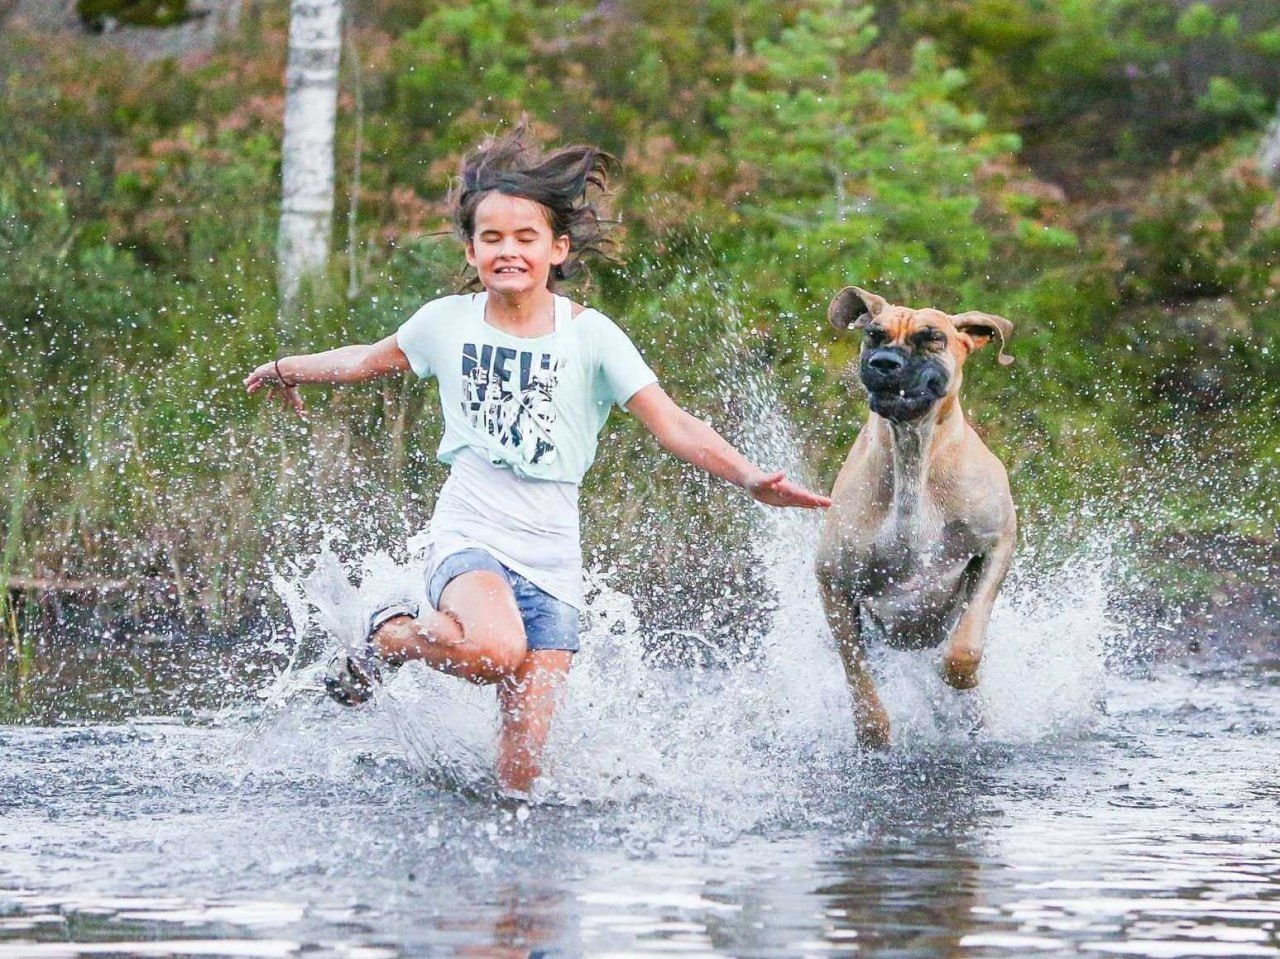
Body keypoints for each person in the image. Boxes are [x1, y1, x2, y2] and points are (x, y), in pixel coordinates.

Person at [245, 129, 830, 794]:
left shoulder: (592, 336)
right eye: (491, 238)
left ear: (557, 249)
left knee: (519, 780)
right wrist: (288, 367)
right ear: (471, 250)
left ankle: (514, 898)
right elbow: (362, 359)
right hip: (472, 534)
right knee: (493, 649)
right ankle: (388, 637)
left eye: (526, 237)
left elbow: (674, 423)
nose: (508, 251)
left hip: (554, 558)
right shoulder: (447, 323)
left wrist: (751, 477)